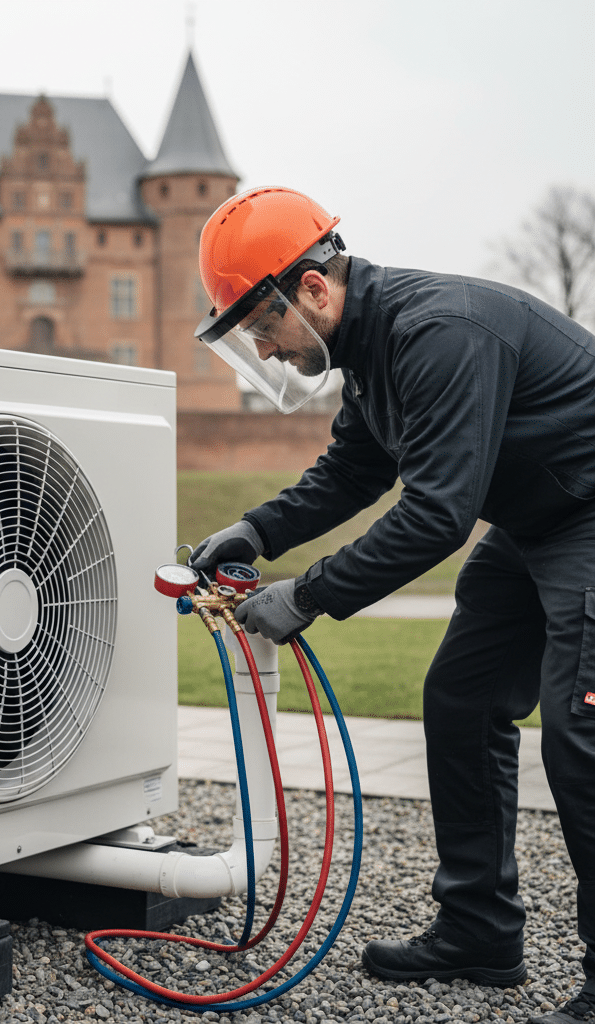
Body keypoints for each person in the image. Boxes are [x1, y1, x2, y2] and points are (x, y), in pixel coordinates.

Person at [187, 185, 595, 1024]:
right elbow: (355, 474)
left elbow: (438, 515)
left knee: (580, 736)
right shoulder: (369, 356)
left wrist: (305, 596)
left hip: (588, 514)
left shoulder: (439, 332)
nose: (264, 351)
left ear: (311, 288)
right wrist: (255, 531)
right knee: (462, 698)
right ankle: (480, 931)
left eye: (262, 327)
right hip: (534, 519)